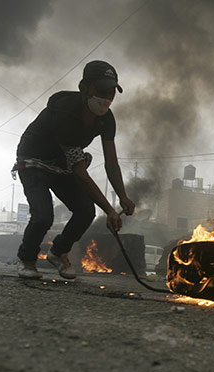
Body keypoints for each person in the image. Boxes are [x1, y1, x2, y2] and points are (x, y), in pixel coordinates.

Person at [12, 60, 135, 279]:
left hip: (61, 165)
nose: (106, 98)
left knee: (86, 211)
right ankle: (27, 259)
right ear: (84, 88)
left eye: (111, 92)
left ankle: (58, 252)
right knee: (42, 216)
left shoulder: (106, 119)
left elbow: (111, 163)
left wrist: (123, 197)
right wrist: (109, 209)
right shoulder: (65, 112)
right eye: (101, 90)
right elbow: (79, 171)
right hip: (34, 162)